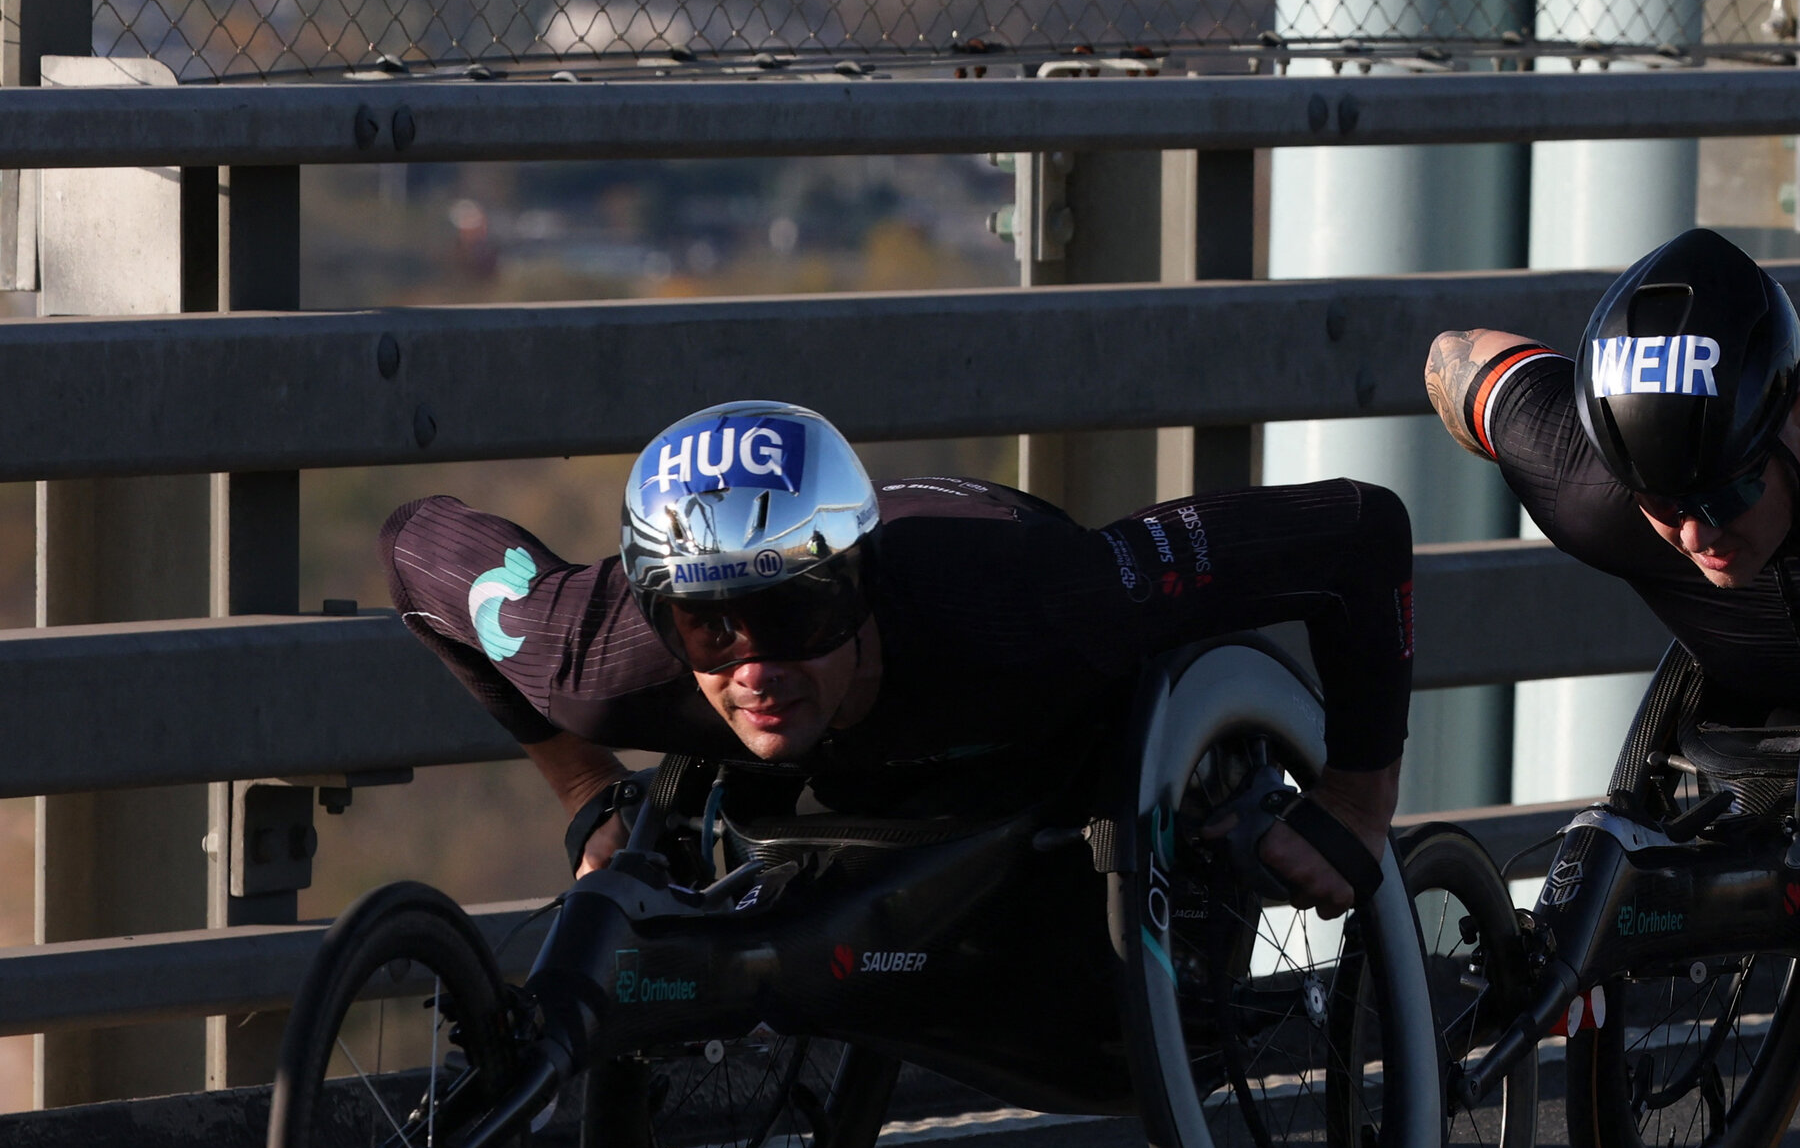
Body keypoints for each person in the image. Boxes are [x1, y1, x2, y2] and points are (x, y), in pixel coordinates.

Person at [381, 402, 1413, 916]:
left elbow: (1359, 530)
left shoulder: (1036, 605)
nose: (754, 668)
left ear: (857, 588)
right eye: (710, 632)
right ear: (660, 615)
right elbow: (414, 543)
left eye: (794, 617)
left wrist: (1359, 802)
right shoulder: (594, 654)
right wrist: (584, 786)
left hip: (998, 632)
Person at [1425, 227, 1800, 719]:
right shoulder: (1586, 486)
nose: (1697, 535)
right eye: (1662, 502)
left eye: (1724, 496)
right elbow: (1451, 354)